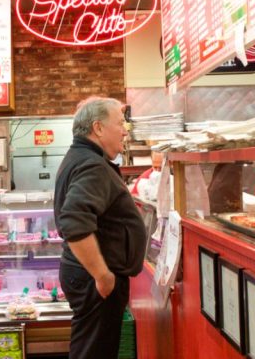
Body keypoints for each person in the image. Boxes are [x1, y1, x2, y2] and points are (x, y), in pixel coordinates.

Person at [54, 97, 147, 359]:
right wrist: (103, 275)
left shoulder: (83, 157)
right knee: (94, 352)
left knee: (93, 349)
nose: (125, 130)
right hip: (94, 278)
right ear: (98, 128)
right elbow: (74, 222)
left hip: (86, 274)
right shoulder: (92, 165)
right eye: (120, 123)